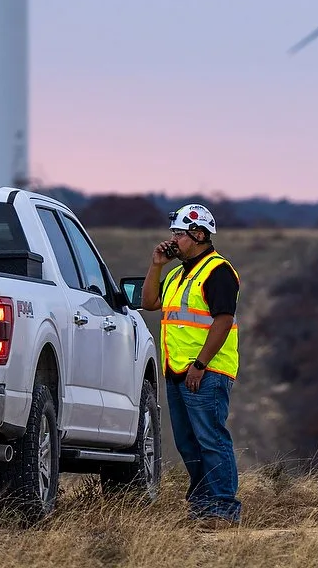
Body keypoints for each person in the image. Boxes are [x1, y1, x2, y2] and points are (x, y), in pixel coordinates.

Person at [144, 202, 241, 525]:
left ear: (199, 235)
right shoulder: (177, 274)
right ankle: (201, 507)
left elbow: (223, 321)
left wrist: (200, 364)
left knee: (211, 439)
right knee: (189, 443)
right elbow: (149, 302)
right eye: (173, 233)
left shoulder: (218, 271)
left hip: (205, 371)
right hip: (177, 371)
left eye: (180, 234)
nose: (173, 240)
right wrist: (156, 265)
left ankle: (223, 509)